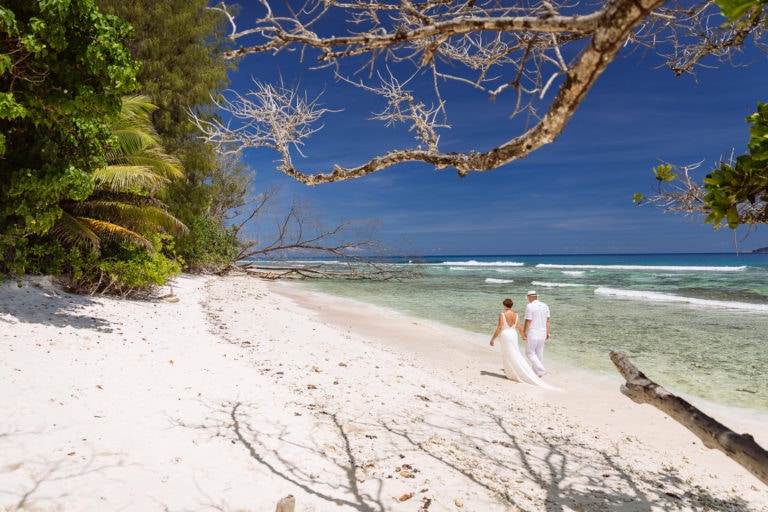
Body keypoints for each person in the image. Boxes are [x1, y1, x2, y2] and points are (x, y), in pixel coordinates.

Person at [489, 298, 554, 388]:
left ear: (504, 305)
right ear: (511, 305)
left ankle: (511, 373)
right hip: (513, 335)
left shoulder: (502, 314)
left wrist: (493, 339)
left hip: (506, 335)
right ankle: (517, 371)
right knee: (515, 353)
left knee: (507, 354)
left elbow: (499, 327)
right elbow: (519, 327)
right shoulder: (516, 315)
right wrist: (523, 336)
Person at [523, 290, 550, 378]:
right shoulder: (545, 306)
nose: (527, 299)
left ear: (530, 297)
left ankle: (541, 370)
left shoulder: (530, 306)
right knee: (539, 352)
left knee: (530, 353)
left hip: (533, 332)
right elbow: (548, 321)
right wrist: (548, 332)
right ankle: (537, 373)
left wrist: (524, 332)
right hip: (543, 332)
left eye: (527, 297)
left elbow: (528, 320)